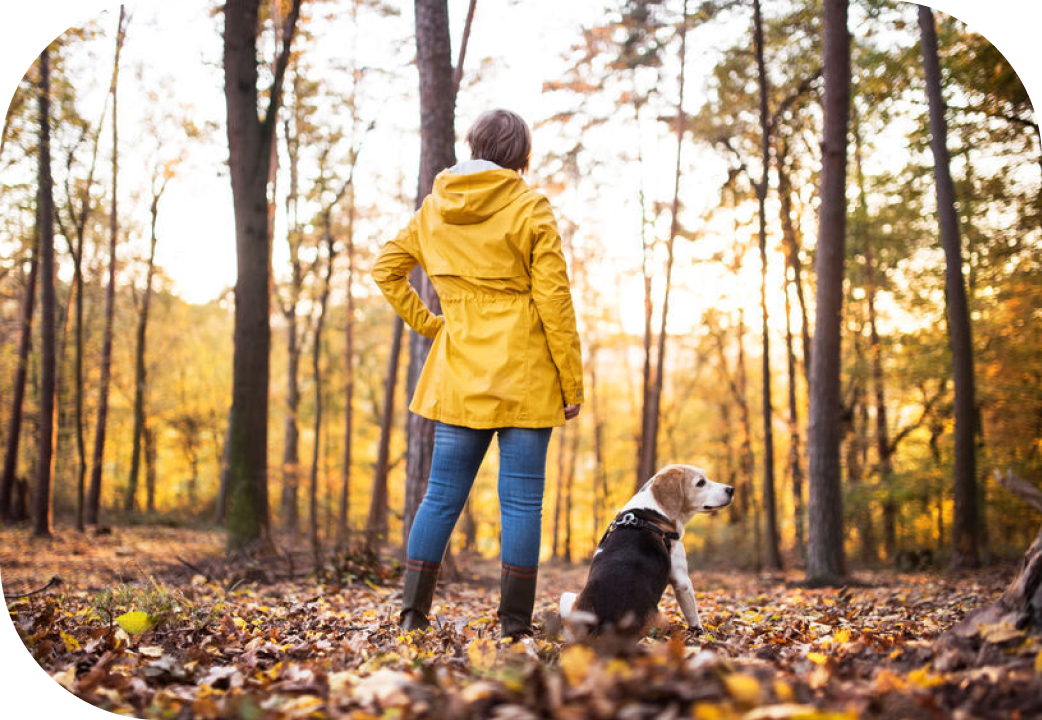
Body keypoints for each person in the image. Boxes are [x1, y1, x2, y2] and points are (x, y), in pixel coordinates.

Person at [372, 108, 584, 639]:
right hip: (526, 375)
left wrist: (432, 324)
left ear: (473, 145)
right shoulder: (530, 206)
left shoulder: (434, 208)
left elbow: (386, 269)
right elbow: (554, 301)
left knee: (440, 497)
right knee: (521, 504)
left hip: (460, 372)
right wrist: (571, 382)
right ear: (522, 156)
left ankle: (411, 617)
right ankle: (513, 626)